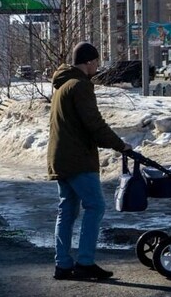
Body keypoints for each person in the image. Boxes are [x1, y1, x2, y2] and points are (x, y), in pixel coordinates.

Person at [49, 42, 130, 280]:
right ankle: (85, 262)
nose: (97, 66)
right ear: (87, 62)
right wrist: (119, 144)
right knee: (95, 206)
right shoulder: (81, 86)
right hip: (78, 159)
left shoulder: (62, 85)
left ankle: (63, 265)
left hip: (61, 157)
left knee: (67, 211)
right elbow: (94, 123)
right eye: (95, 62)